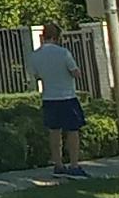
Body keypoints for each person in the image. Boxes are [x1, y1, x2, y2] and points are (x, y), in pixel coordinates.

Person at [26, 23, 90, 178]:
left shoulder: (35, 55)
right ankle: (74, 165)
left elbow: (36, 76)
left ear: (42, 36)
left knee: (54, 131)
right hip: (67, 96)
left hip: (49, 97)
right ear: (57, 37)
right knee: (72, 131)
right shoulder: (63, 53)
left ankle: (58, 164)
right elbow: (75, 73)